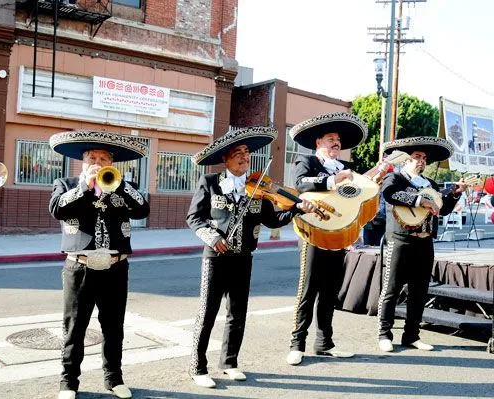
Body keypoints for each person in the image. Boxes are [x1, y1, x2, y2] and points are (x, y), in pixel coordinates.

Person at [186, 126, 316, 388]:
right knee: (207, 312)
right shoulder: (210, 183)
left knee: (237, 313)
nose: (244, 158)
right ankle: (197, 367)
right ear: (226, 159)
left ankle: (230, 362)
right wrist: (213, 237)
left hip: (243, 257)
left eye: (247, 153)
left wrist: (297, 209)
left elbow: (272, 218)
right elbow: (194, 218)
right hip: (215, 257)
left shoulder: (257, 187)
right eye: (238, 153)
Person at [49, 130, 150, 399]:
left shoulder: (122, 186)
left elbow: (143, 209)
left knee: (114, 326)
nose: (98, 162)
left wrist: (120, 186)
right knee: (74, 328)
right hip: (80, 267)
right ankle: (68, 383)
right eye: (92, 157)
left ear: (112, 164)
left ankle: (113, 379)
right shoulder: (66, 184)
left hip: (116, 267)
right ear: (82, 162)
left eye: (104, 158)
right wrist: (85, 185)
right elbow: (57, 208)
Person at [286, 112, 388, 366]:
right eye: (330, 138)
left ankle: (324, 343)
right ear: (318, 142)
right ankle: (297, 344)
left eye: (338, 140)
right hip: (313, 231)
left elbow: (355, 197)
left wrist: (374, 180)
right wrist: (332, 180)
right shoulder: (307, 161)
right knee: (307, 289)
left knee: (330, 291)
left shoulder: (346, 169)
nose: (336, 143)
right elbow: (300, 184)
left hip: (338, 233)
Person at [377, 136, 465, 352]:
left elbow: (441, 209)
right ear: (406, 160)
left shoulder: (431, 184)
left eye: (424, 158)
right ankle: (384, 334)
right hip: (399, 241)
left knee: (419, 291)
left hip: (425, 242)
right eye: (417, 157)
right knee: (391, 289)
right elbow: (389, 194)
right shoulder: (395, 178)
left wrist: (454, 194)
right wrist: (419, 200)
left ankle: (412, 335)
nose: (421, 161)